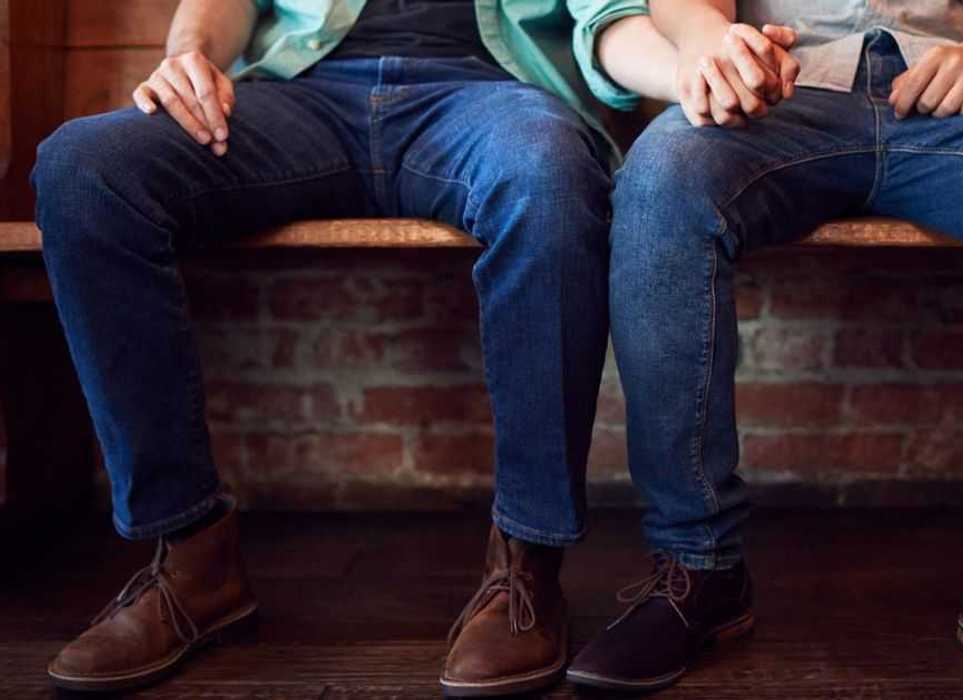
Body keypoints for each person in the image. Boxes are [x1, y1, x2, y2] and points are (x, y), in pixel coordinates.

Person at [31, 0, 683, 695]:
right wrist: (187, 57)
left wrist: (688, 70)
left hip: (491, 97)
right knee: (85, 169)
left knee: (548, 176)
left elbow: (606, 15)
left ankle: (528, 566)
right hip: (303, 93)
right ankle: (193, 561)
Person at [568, 1, 963, 698]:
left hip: (952, 100)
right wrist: (712, 43)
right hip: (782, 98)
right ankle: (696, 563)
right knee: (660, 177)